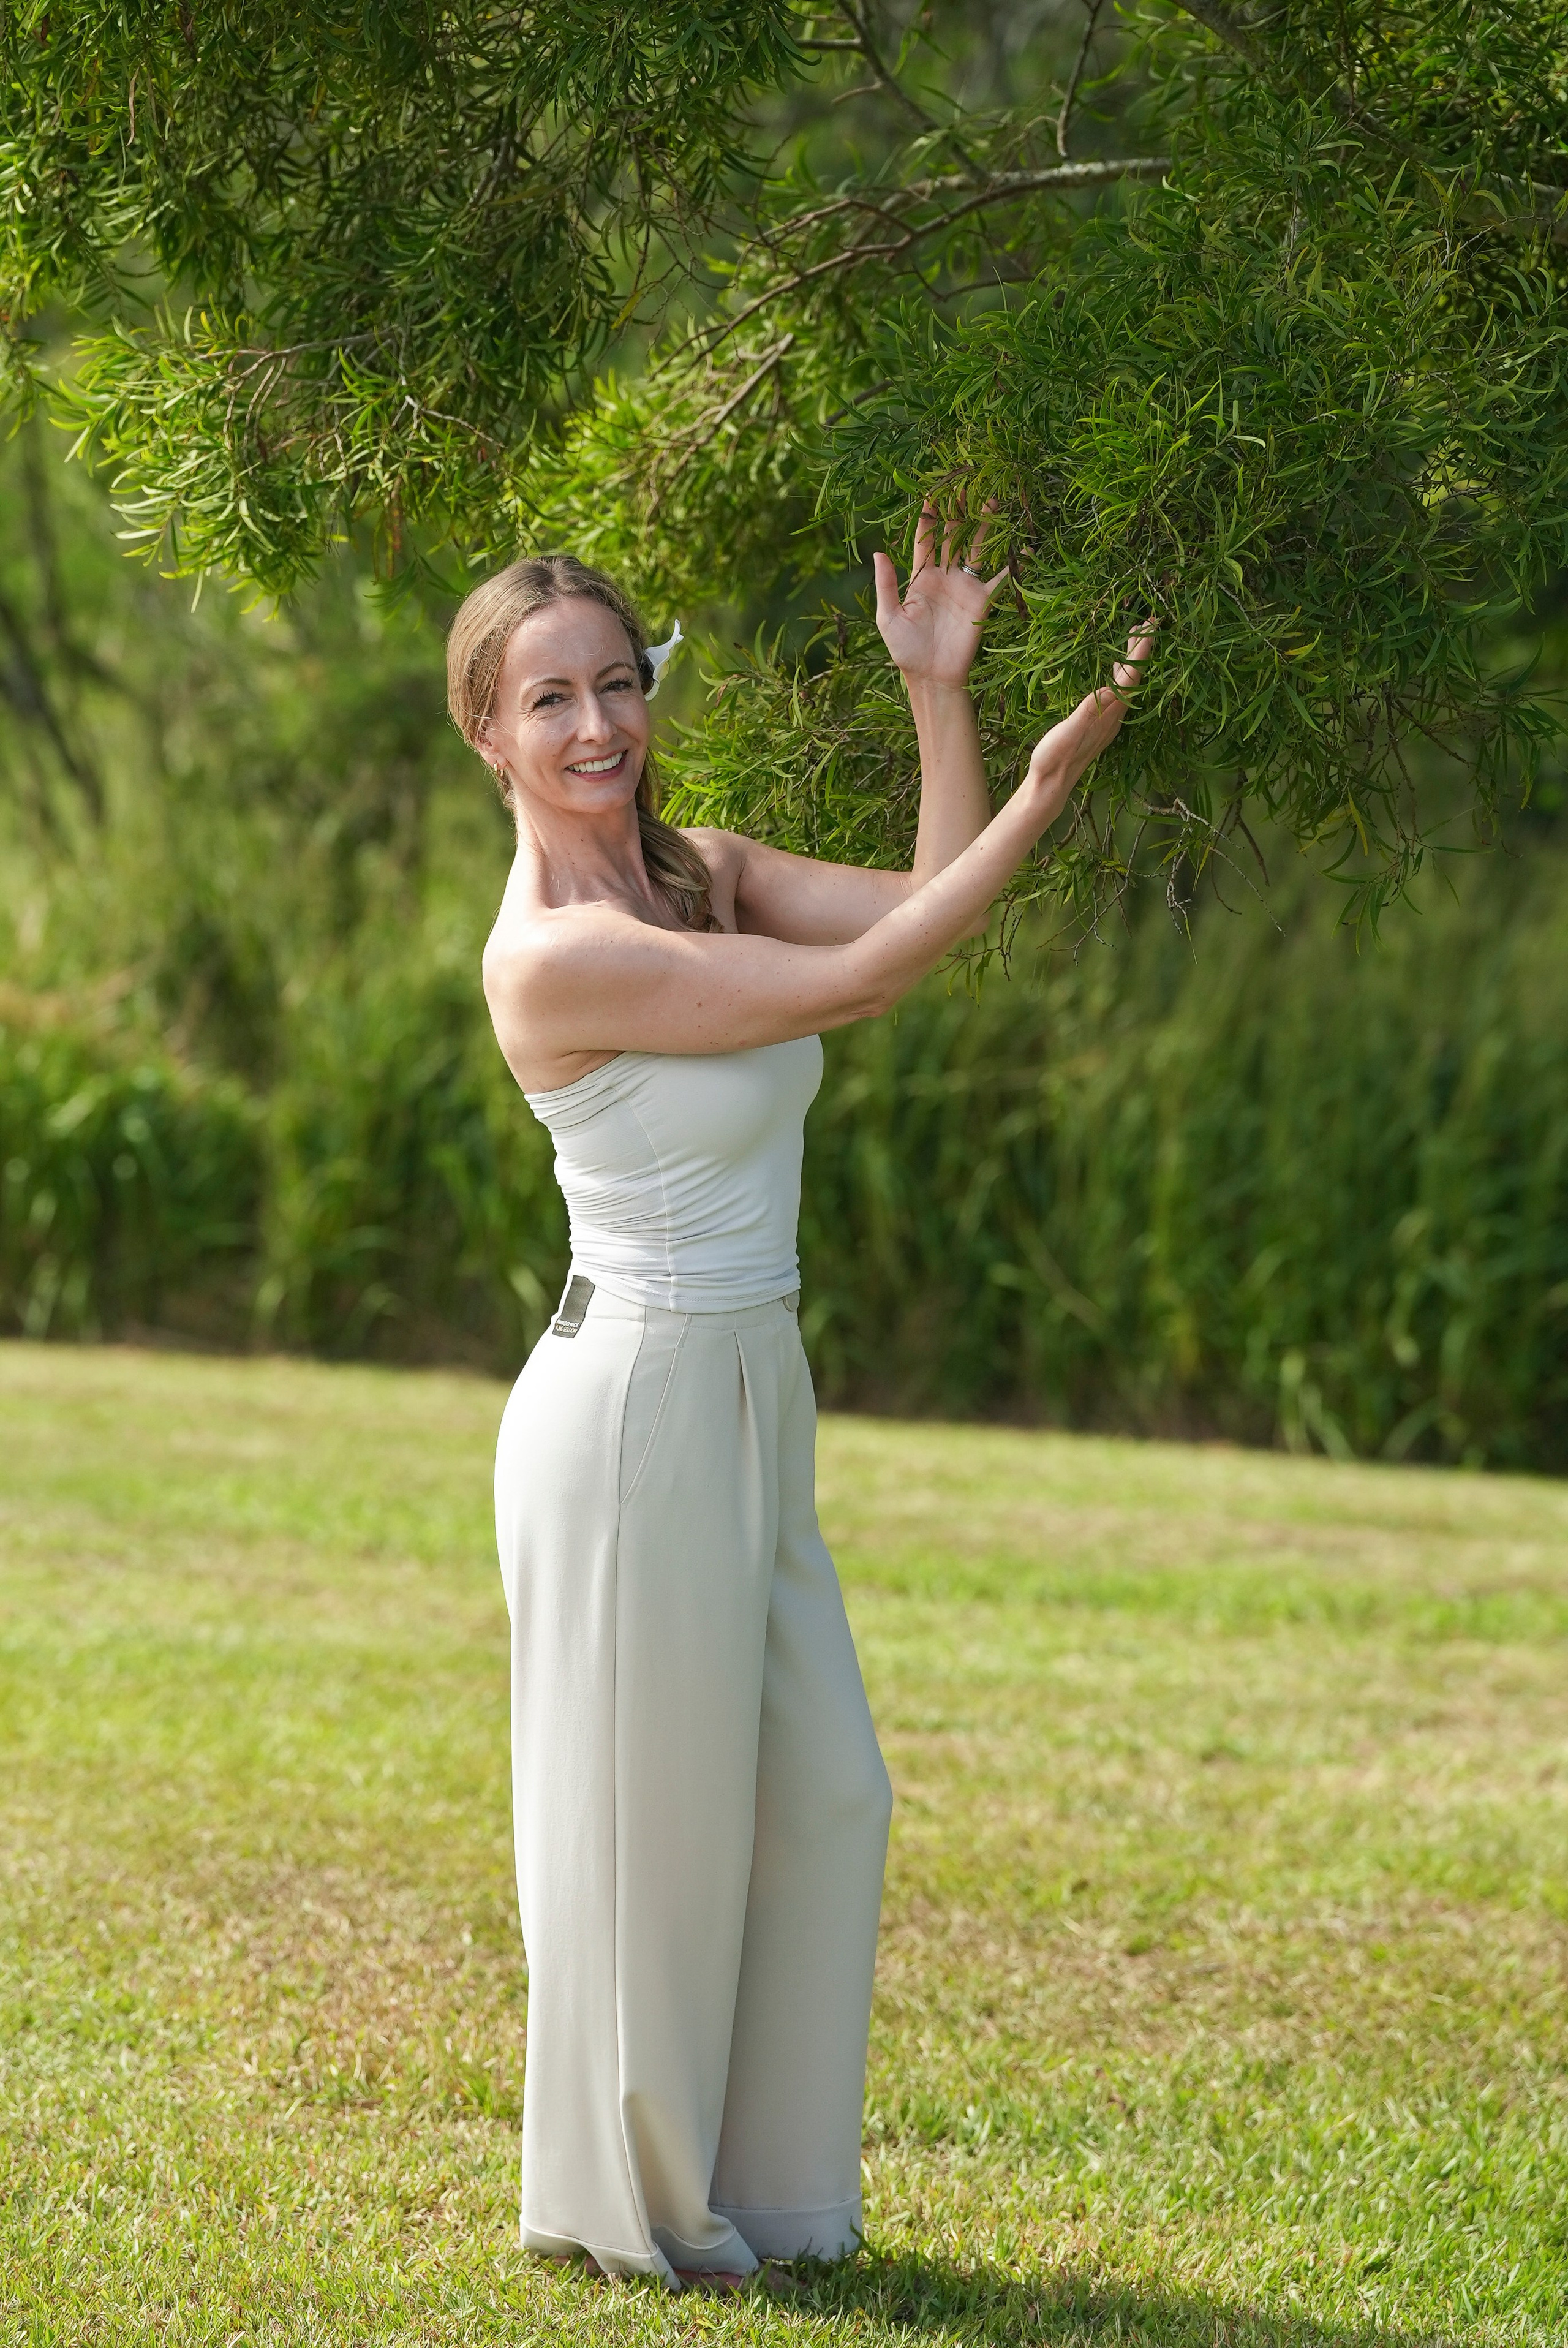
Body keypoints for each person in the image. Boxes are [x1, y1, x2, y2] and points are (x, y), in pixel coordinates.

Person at [446, 517, 1150, 2293]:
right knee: (648, 1832)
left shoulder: (705, 875)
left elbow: (916, 922)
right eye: (555, 699)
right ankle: (635, 2207)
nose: (601, 722)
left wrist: (941, 704)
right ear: (490, 735)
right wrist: (1042, 797)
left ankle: (775, 2197)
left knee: (827, 1793)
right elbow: (869, 979)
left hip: (757, 1378)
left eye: (620, 682)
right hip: (632, 1404)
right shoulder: (551, 958)